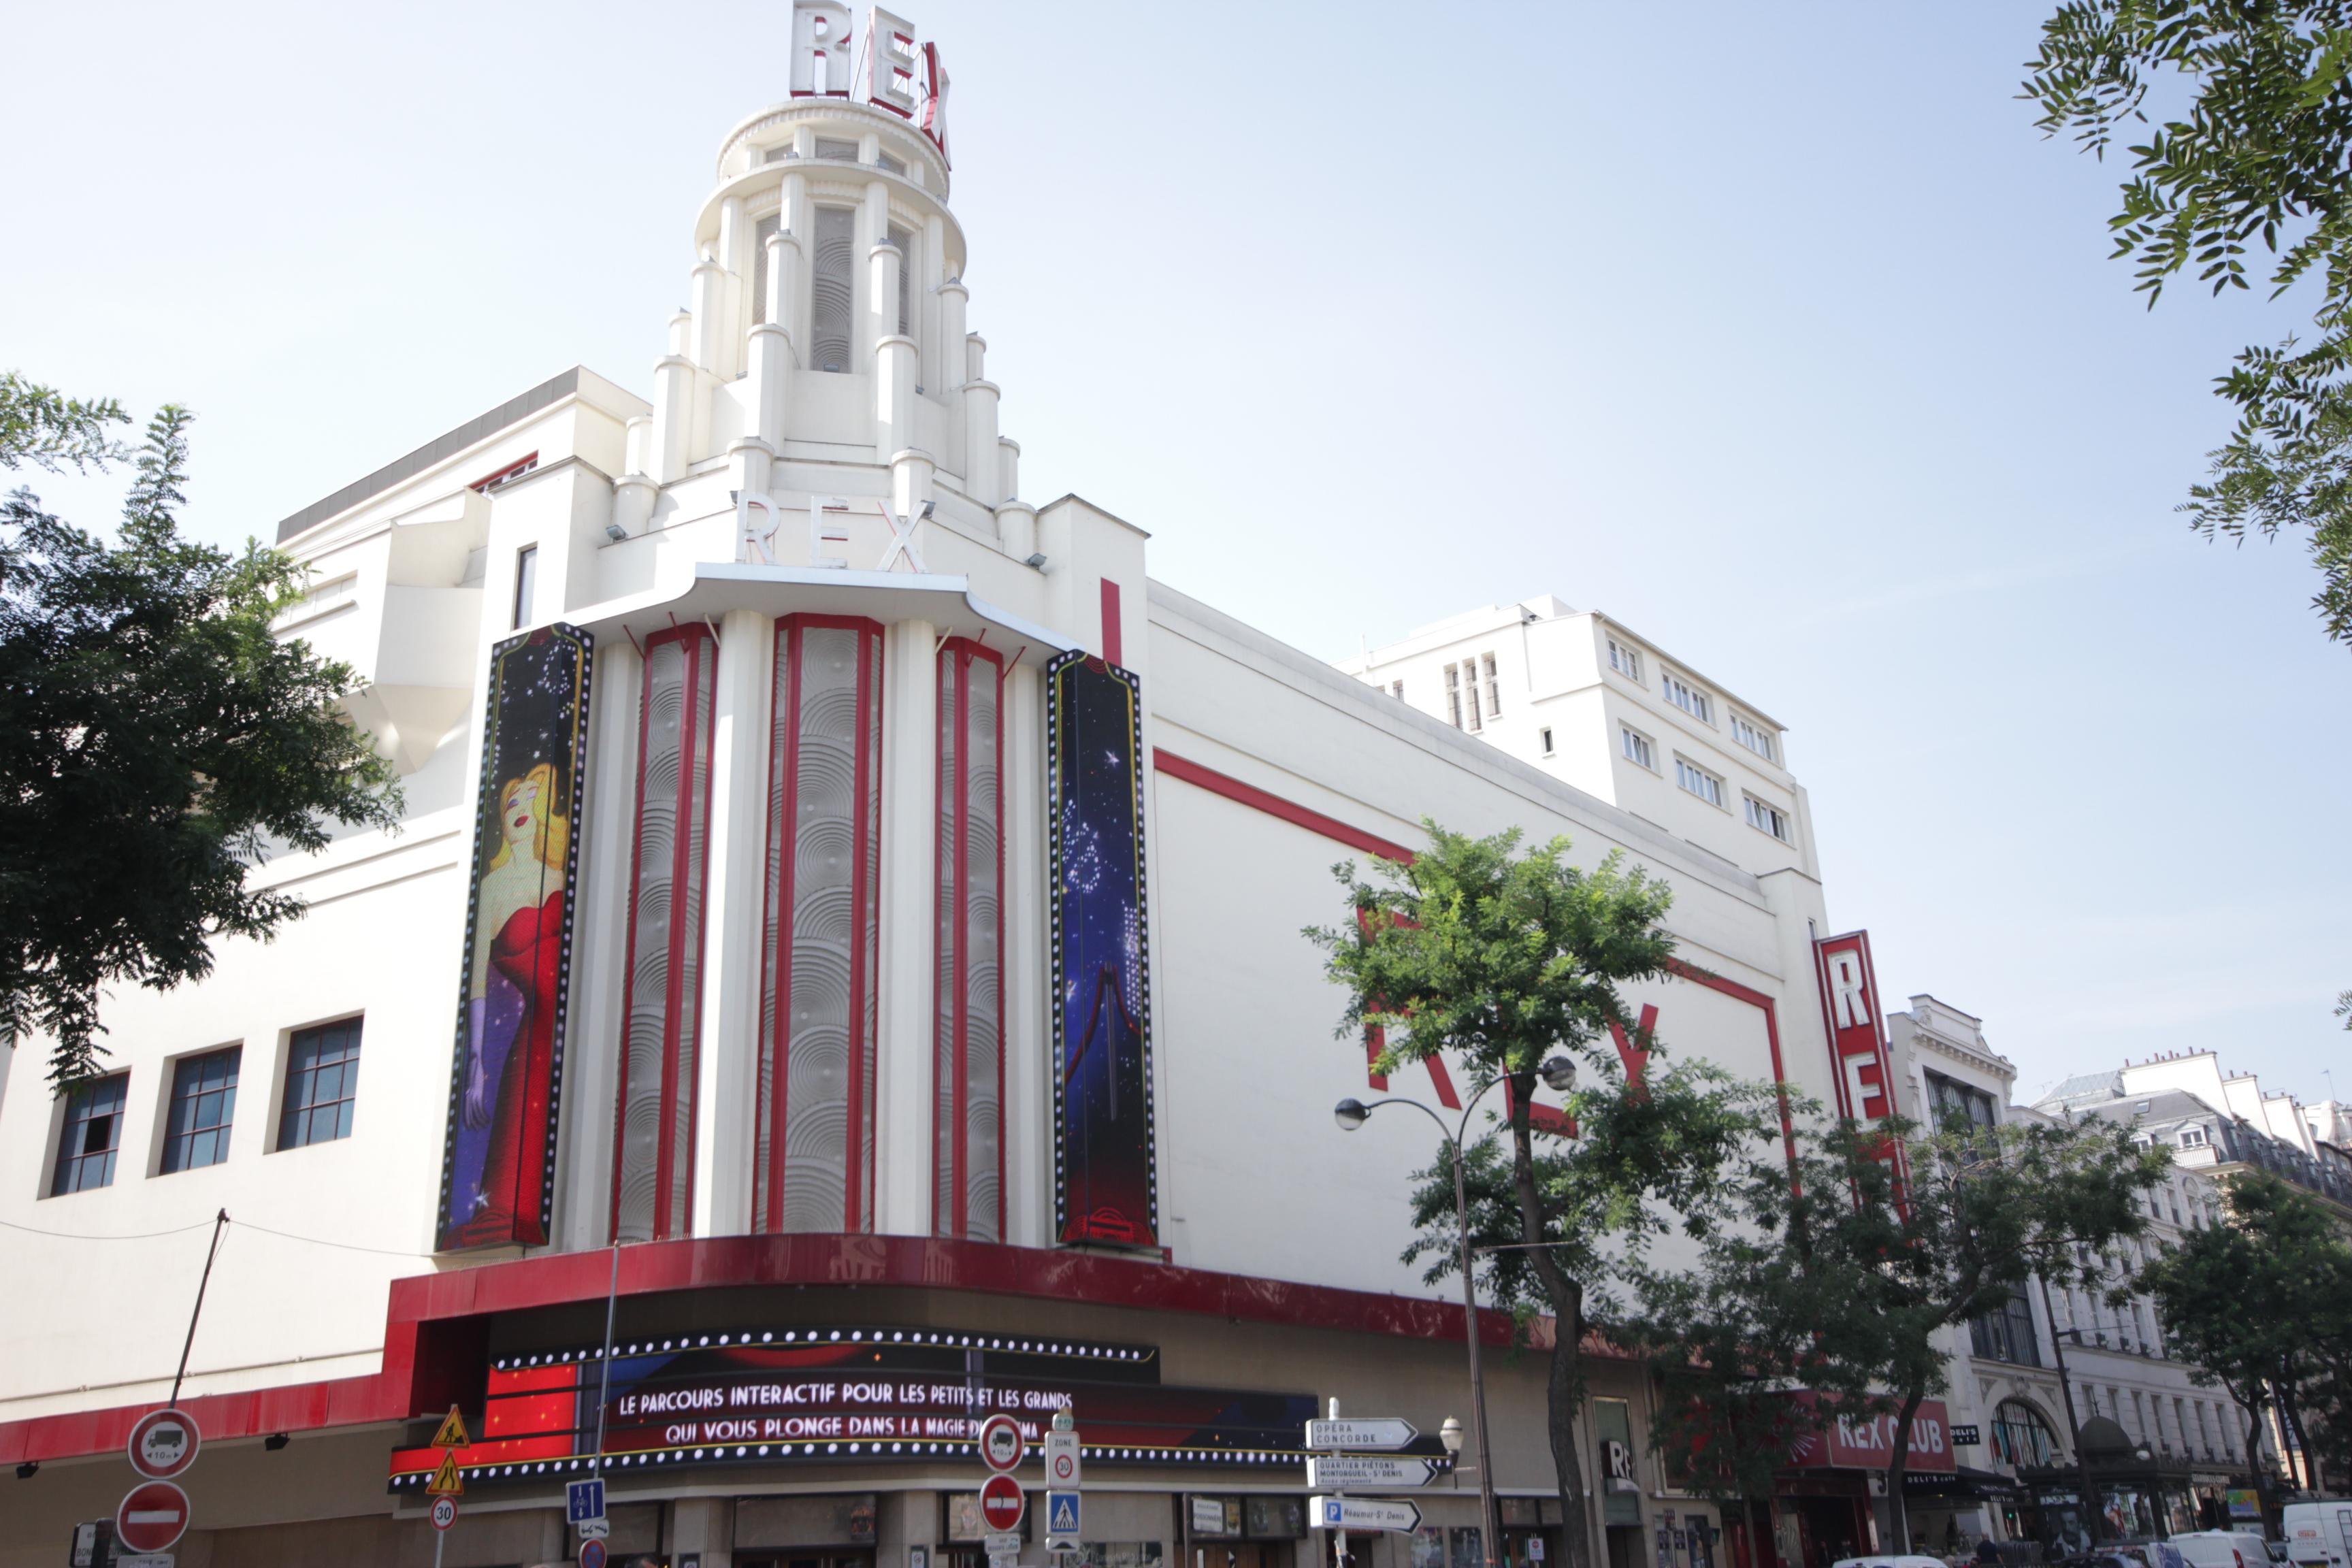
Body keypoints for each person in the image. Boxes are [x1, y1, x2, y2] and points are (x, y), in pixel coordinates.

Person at [443, 760, 570, 1249]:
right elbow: (476, 981)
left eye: (530, 800)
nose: (519, 808)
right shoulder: (493, 888)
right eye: (511, 801)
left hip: (572, 1033)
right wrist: (476, 1062)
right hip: (532, 1042)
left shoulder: (559, 878)